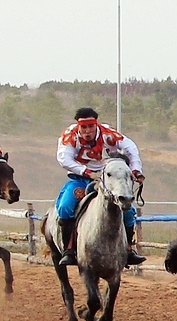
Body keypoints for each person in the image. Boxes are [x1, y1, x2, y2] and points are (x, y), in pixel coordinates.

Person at [56, 107, 146, 267]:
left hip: (108, 179)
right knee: (65, 206)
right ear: (79, 126)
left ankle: (128, 249)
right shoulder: (70, 136)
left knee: (128, 210)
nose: (87, 131)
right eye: (84, 127)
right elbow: (64, 159)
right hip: (80, 178)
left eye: (91, 126)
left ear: (96, 124)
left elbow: (131, 148)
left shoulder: (108, 134)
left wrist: (136, 170)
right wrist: (87, 172)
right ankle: (68, 250)